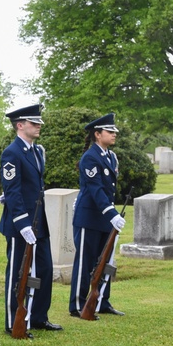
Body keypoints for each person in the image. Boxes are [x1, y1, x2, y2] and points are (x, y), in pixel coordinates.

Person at [0, 103, 62, 334]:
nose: (38, 127)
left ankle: (38, 317)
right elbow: (12, 191)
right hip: (20, 224)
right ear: (20, 125)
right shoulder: (12, 153)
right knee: (18, 272)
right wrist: (23, 223)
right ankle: (12, 321)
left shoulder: (37, 151)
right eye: (34, 123)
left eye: (39, 123)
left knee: (43, 269)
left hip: (38, 221)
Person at [69, 113, 125, 318]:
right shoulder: (90, 158)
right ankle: (77, 304)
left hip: (104, 217)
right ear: (97, 134)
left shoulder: (110, 156)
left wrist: (111, 214)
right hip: (89, 217)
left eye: (114, 132)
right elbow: (96, 189)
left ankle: (102, 300)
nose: (114, 135)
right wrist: (111, 213)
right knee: (86, 261)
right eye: (110, 132)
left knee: (105, 261)